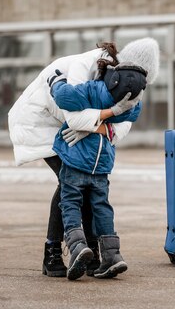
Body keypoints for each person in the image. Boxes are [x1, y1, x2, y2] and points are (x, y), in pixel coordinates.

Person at [8, 38, 160, 277]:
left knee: (86, 184)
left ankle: (92, 253)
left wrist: (98, 125)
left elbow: (121, 127)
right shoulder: (84, 66)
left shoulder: (130, 83)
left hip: (72, 125)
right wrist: (102, 118)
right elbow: (73, 115)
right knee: (69, 182)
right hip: (42, 120)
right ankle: (53, 253)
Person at [48, 62, 147, 280]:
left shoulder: (94, 90)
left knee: (70, 202)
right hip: (102, 164)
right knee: (102, 206)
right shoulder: (131, 104)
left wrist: (56, 82)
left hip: (76, 158)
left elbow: (65, 97)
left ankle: (77, 248)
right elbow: (132, 116)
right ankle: (112, 255)